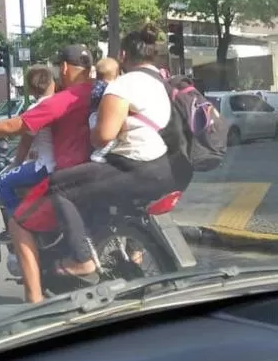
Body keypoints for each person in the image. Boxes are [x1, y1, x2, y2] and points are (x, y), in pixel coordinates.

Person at [48, 24, 193, 278]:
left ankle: (83, 259)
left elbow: (103, 136)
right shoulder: (161, 83)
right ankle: (123, 248)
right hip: (166, 168)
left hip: (135, 168)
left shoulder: (122, 85)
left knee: (60, 186)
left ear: (123, 56)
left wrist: (94, 132)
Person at [0, 45, 95, 303]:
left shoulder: (62, 100)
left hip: (59, 170)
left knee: (10, 207)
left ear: (64, 69)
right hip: (92, 166)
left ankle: (33, 300)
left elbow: (17, 128)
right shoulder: (99, 91)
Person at [0, 66, 57, 225]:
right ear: (52, 83)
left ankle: (18, 226)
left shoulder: (37, 109)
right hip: (56, 161)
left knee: (3, 183)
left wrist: (15, 163)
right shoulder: (60, 102)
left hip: (45, 165)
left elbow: (25, 142)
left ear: (31, 89)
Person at [89, 57, 121, 163]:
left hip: (95, 116)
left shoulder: (96, 85)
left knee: (100, 138)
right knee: (110, 139)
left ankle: (99, 152)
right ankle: (98, 154)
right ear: (116, 75)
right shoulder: (106, 87)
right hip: (97, 115)